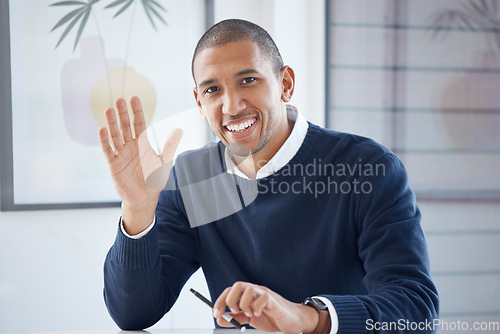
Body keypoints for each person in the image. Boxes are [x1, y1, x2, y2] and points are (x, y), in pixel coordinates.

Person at [100, 19, 439, 334]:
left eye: (248, 80)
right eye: (213, 90)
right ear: (199, 104)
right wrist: (137, 208)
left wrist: (304, 317)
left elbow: (416, 310)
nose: (231, 106)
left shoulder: (368, 167)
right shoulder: (190, 179)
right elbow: (135, 313)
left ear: (285, 84)